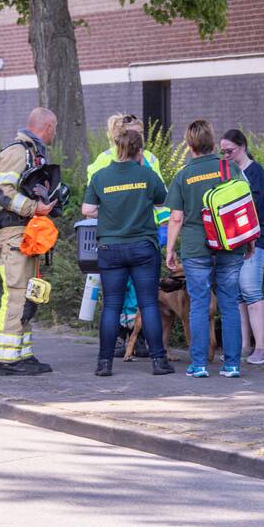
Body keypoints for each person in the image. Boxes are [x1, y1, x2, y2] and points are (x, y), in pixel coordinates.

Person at [82, 128, 174, 377]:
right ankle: (159, 362)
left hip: (110, 249)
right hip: (143, 247)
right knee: (148, 304)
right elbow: (162, 201)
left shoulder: (100, 176)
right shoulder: (146, 174)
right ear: (139, 150)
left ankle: (104, 363)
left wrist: (110, 213)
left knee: (111, 305)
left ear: (117, 147)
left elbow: (87, 209)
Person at [165, 119, 254, 378]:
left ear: (189, 145)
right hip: (230, 245)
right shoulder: (230, 169)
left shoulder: (183, 175)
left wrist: (170, 249)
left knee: (199, 305)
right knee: (229, 303)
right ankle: (232, 365)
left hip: (196, 248)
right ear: (213, 143)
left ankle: (199, 365)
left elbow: (176, 218)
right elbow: (244, 207)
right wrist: (249, 240)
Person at [0, 107, 58, 376]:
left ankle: (23, 354)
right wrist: (35, 208)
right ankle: (6, 360)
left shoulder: (34, 153)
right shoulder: (18, 152)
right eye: (54, 128)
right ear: (48, 126)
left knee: (30, 296)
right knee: (17, 295)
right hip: (15, 235)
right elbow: (2, 193)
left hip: (27, 235)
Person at [220, 129, 264, 365]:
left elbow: (253, 205)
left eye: (229, 150)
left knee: (251, 290)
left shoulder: (254, 172)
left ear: (242, 146)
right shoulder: (228, 172)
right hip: (234, 241)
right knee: (239, 294)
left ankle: (261, 348)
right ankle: (243, 345)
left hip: (254, 239)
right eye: (222, 151)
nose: (226, 155)